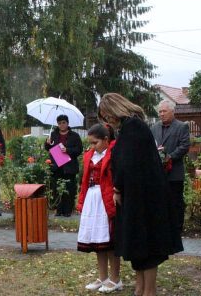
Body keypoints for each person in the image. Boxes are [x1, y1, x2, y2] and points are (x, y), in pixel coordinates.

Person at [98, 93, 183, 296]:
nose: (107, 121)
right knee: (138, 244)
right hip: (138, 195)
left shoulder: (133, 128)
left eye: (107, 116)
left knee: (147, 244)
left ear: (114, 110)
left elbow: (128, 163)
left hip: (144, 198)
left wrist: (117, 188)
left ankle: (148, 291)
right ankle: (140, 289)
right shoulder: (131, 127)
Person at [77, 124, 122, 293]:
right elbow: (84, 180)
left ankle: (115, 278)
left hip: (106, 198)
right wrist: (82, 201)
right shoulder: (90, 155)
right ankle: (103, 277)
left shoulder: (113, 155)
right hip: (92, 198)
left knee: (109, 241)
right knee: (97, 240)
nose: (91, 146)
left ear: (105, 140)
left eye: (95, 142)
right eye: (90, 143)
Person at [151, 100, 190, 234]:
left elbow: (184, 146)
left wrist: (170, 157)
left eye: (164, 111)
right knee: (160, 202)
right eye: (160, 112)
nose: (161, 114)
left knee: (175, 202)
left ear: (172, 111)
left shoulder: (181, 126)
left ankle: (177, 230)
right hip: (157, 173)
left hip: (174, 173)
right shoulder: (154, 127)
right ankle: (162, 229)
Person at [45, 115, 83, 217]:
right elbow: (48, 148)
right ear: (57, 124)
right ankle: (59, 210)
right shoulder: (53, 134)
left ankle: (67, 210)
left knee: (69, 189)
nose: (62, 125)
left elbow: (79, 149)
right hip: (56, 166)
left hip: (69, 167)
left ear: (67, 123)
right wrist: (47, 143)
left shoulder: (74, 136)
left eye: (64, 122)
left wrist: (68, 150)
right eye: (60, 123)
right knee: (57, 188)